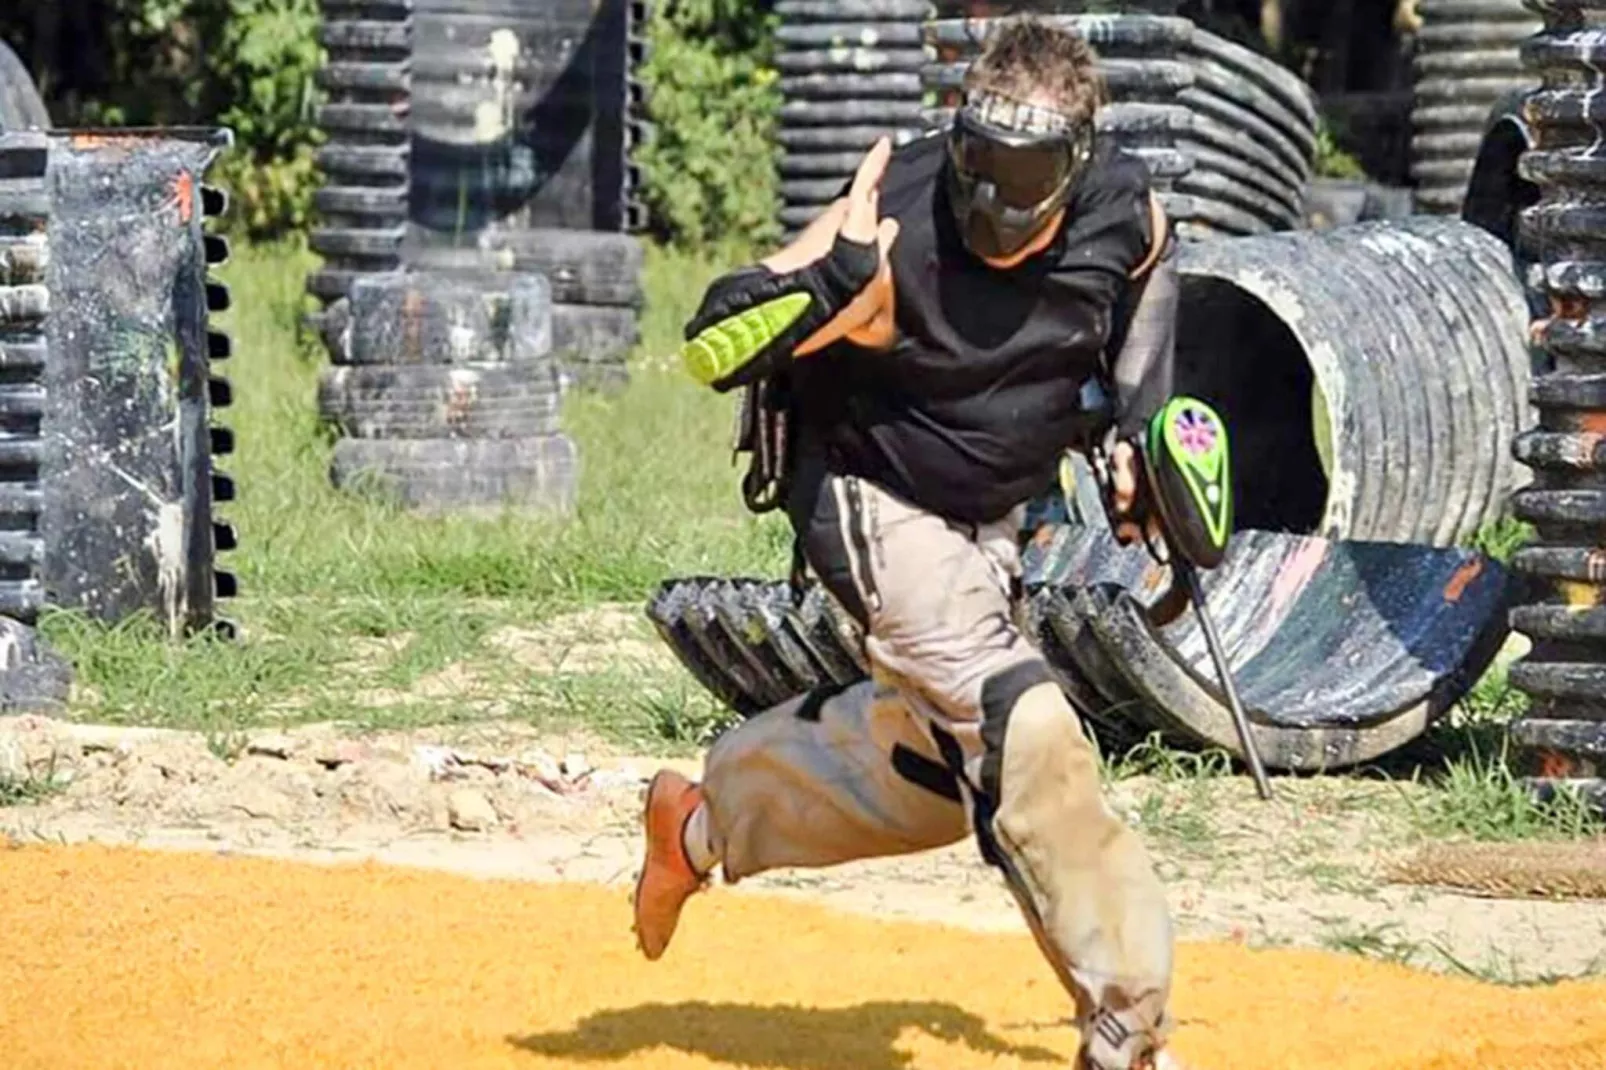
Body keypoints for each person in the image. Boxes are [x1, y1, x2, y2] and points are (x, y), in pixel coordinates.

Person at [632, 15, 1189, 1070]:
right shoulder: (892, 214)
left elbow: (1153, 275)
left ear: (1077, 161)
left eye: (1027, 172)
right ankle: (1127, 1028)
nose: (995, 197)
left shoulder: (1126, 205)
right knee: (1024, 729)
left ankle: (704, 820)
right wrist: (826, 289)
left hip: (994, 530)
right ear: (958, 133)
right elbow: (711, 341)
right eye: (981, 162)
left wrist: (1135, 434)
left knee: (925, 778)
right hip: (872, 505)